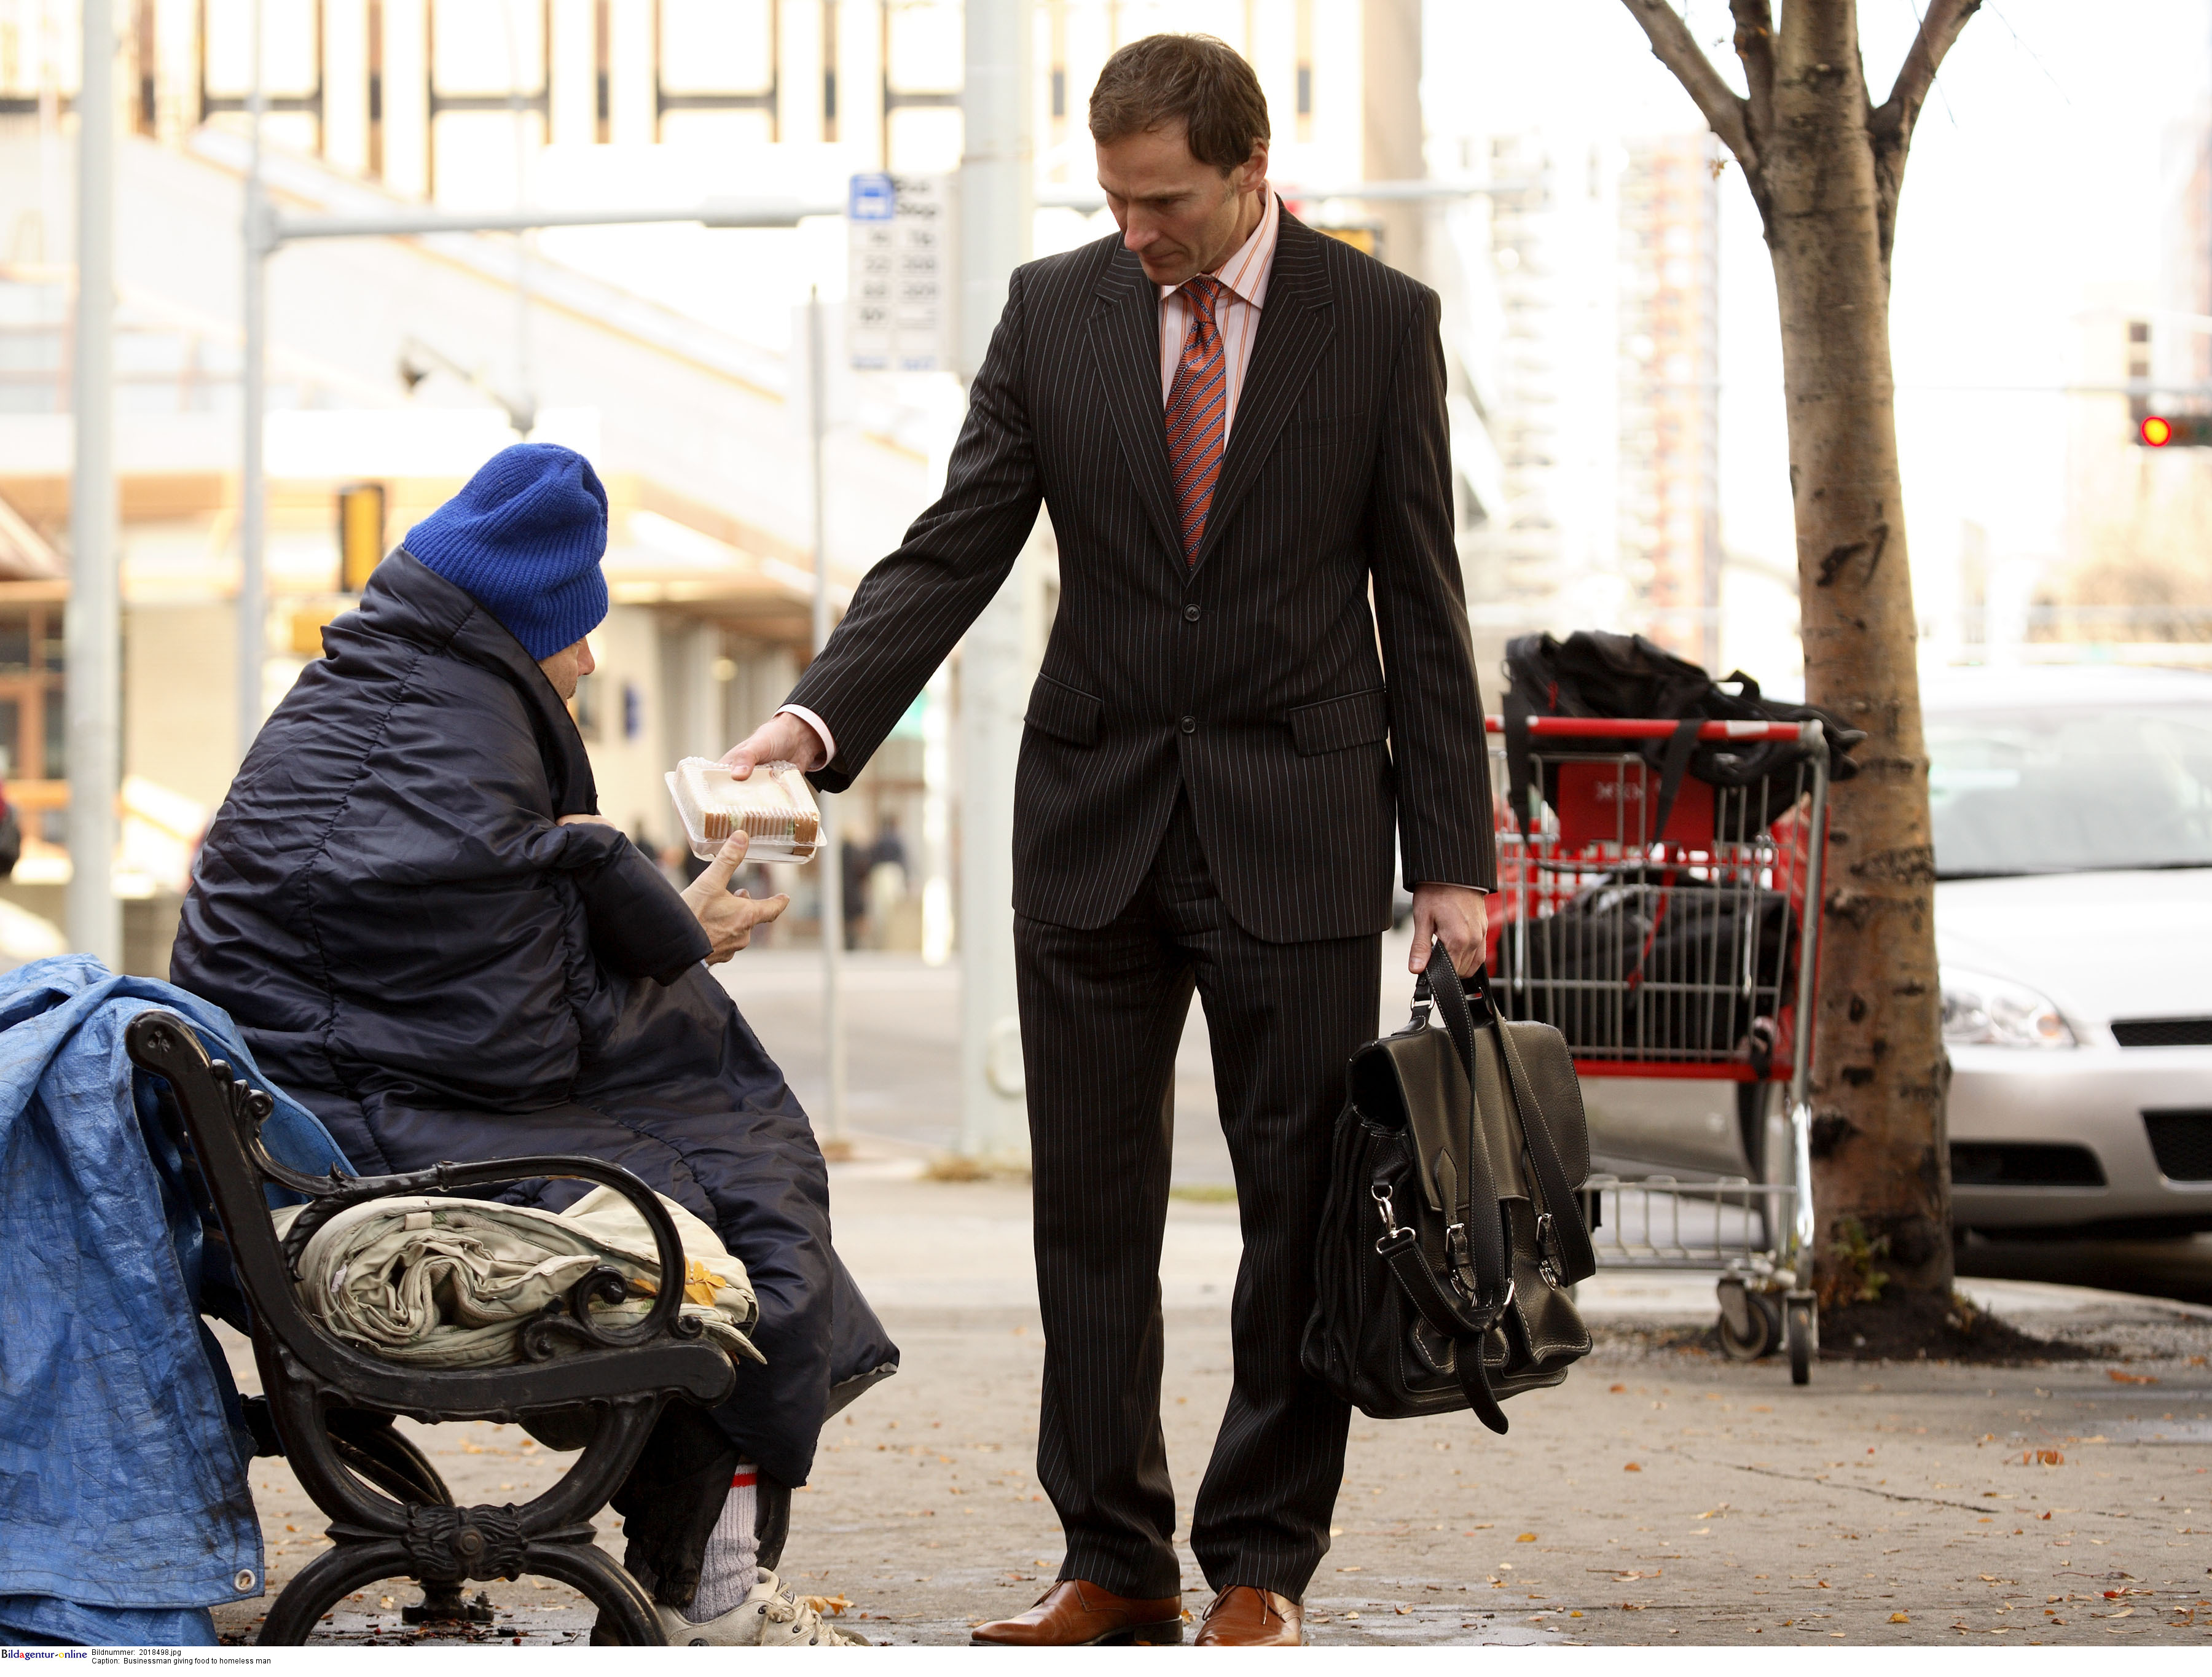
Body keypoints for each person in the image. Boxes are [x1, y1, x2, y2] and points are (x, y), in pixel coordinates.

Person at [720, 33, 1495, 1649]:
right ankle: (1114, 1555)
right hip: (1092, 819)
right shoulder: (1053, 310)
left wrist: (1454, 866)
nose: (1136, 231)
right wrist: (813, 725)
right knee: (1086, 1208)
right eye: (1116, 199)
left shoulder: (1376, 326)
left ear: (1246, 172)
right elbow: (953, 551)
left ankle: (1262, 1564)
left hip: (1295, 818)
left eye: (1164, 204)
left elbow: (1423, 608)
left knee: (1297, 1204)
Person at [170, 444, 892, 1648]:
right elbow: (508, 1041)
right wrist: (673, 936)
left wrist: (654, 926)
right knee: (724, 1227)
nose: (592, 657)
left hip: (309, 1127)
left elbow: (468, 964)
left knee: (727, 1195)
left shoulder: (382, 703)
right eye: (576, 630)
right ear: (524, 625)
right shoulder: (452, 737)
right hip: (355, 1146)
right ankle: (704, 1592)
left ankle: (701, 1582)